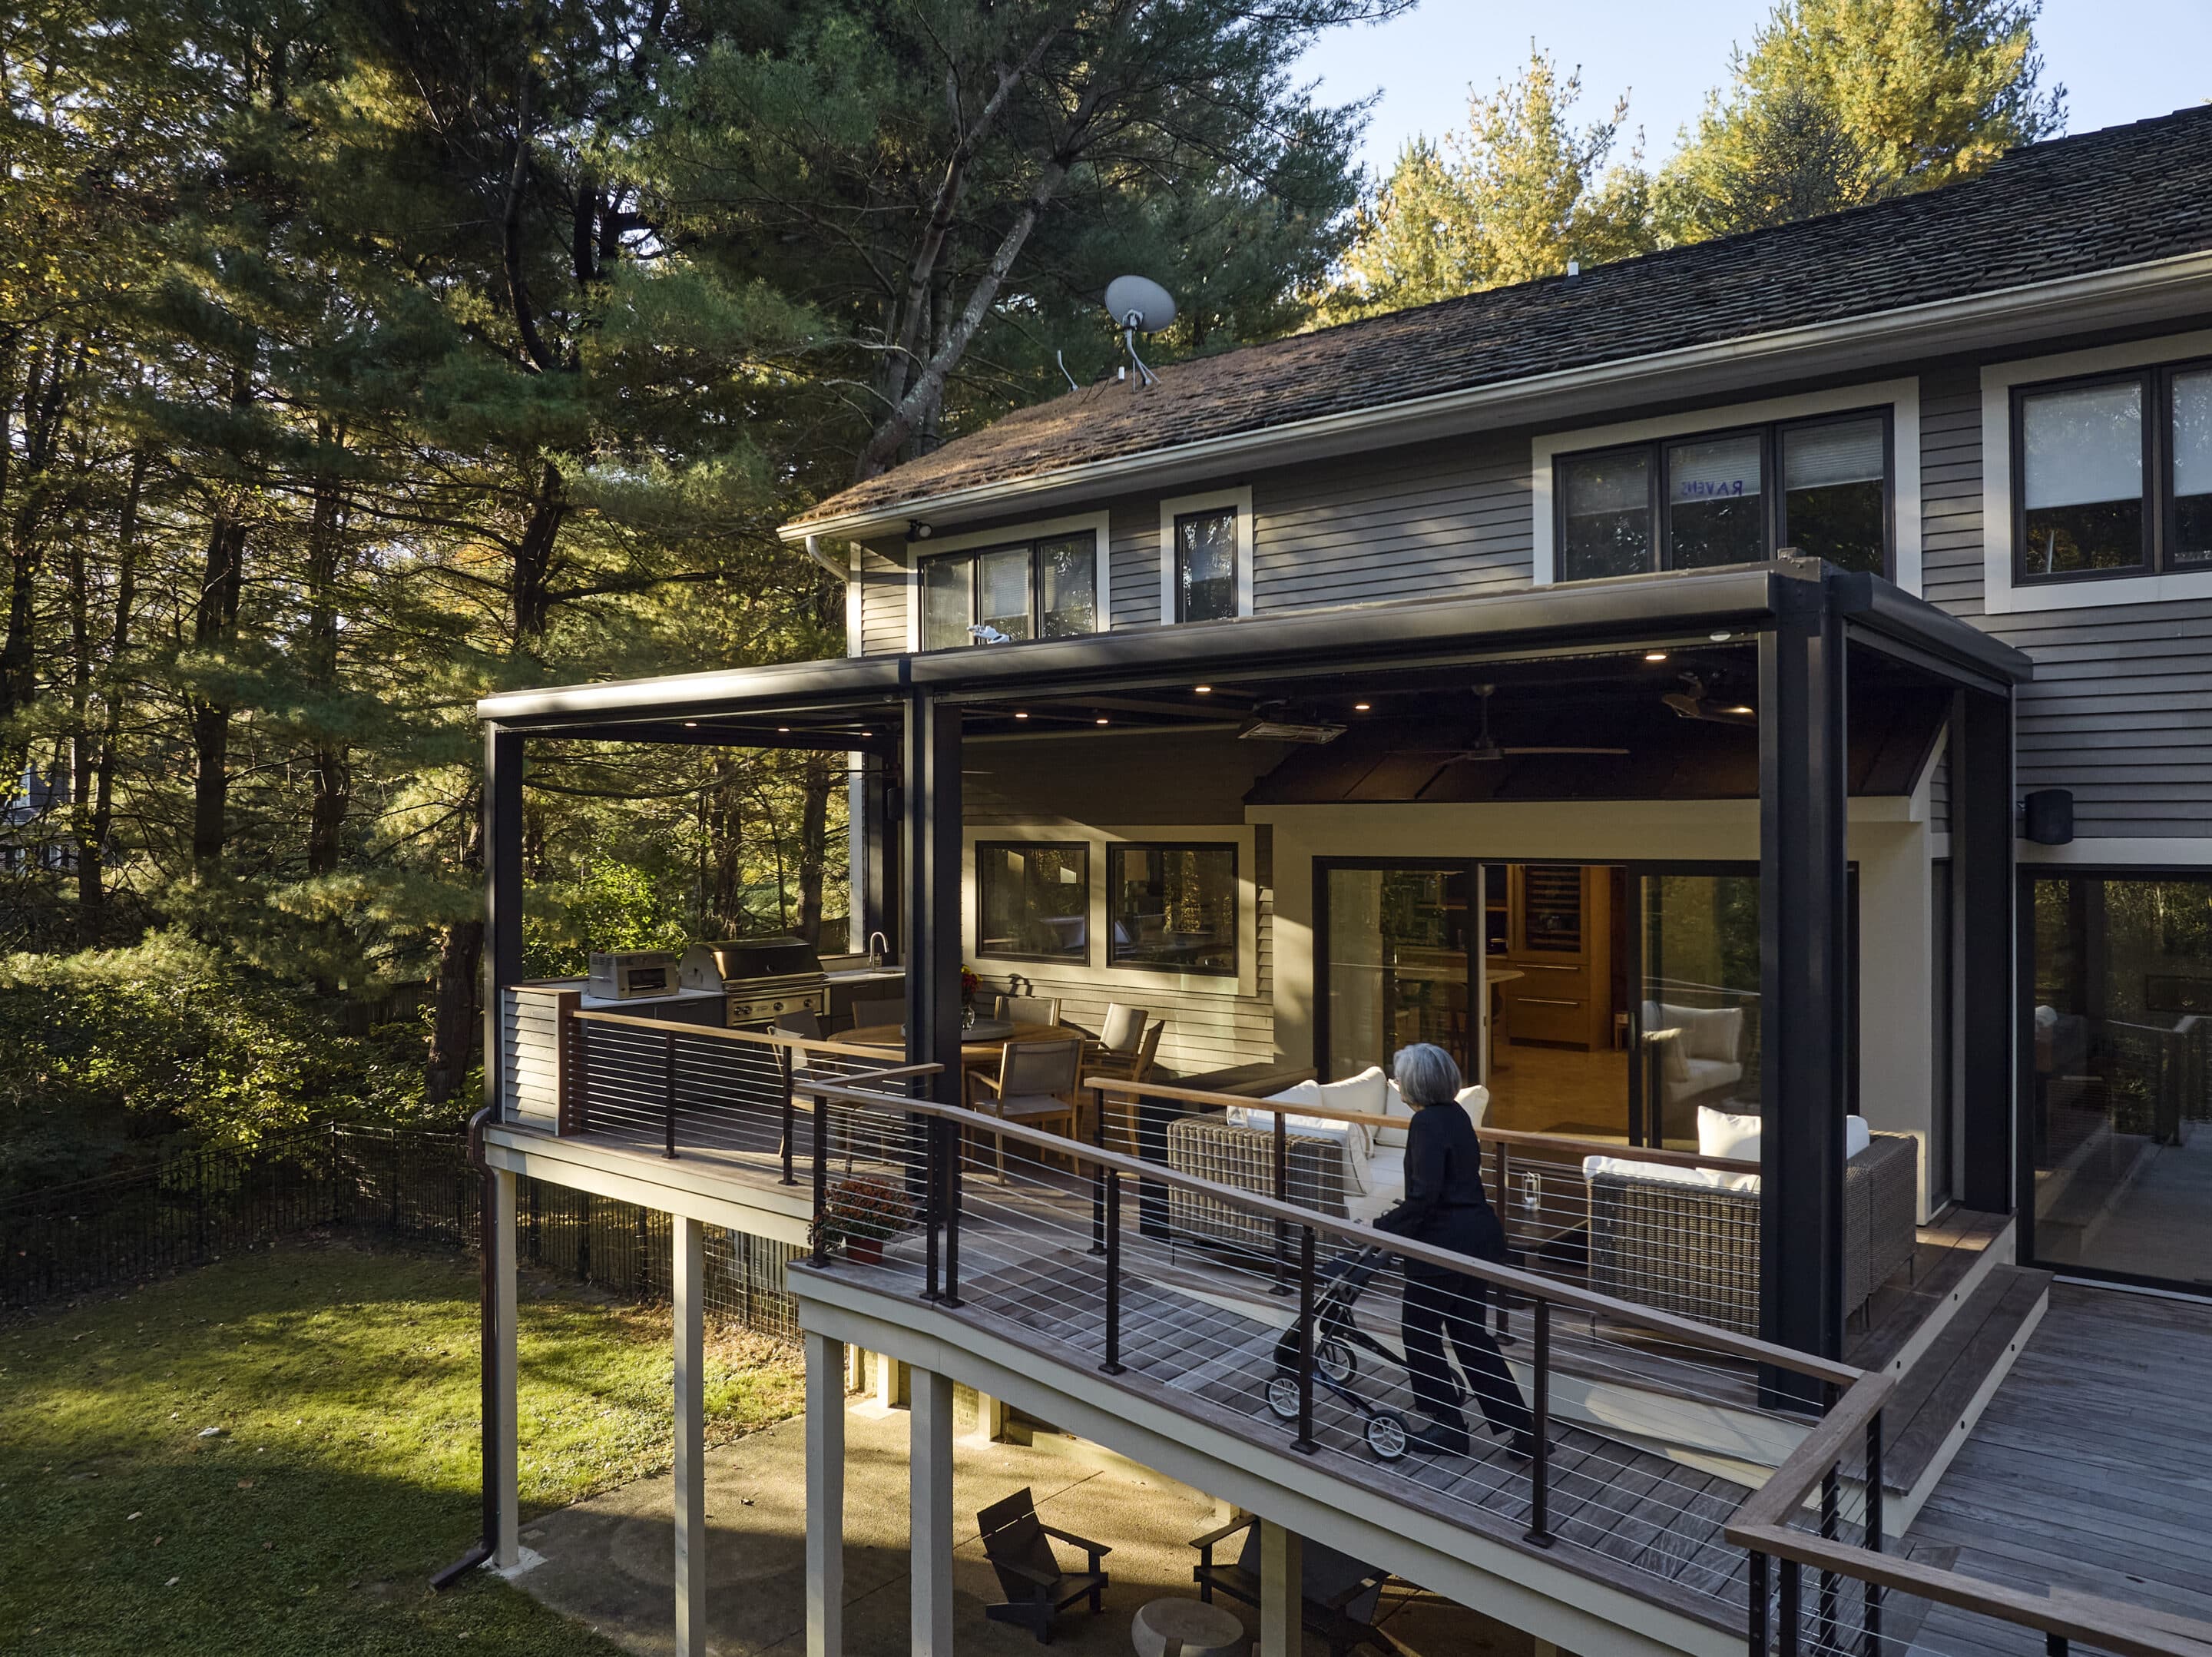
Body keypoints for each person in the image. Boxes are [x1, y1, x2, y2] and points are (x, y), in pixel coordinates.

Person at [1369, 1043, 1537, 1458]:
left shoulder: (1425, 1123)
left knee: (1420, 1334)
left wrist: (1378, 1229)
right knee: (1470, 1335)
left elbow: (1424, 1198)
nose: (1397, 1086)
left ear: (1413, 1085)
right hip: (1477, 1240)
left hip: (1443, 1248)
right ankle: (1523, 1431)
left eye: (1398, 1078)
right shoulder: (1458, 1116)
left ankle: (1448, 1427)